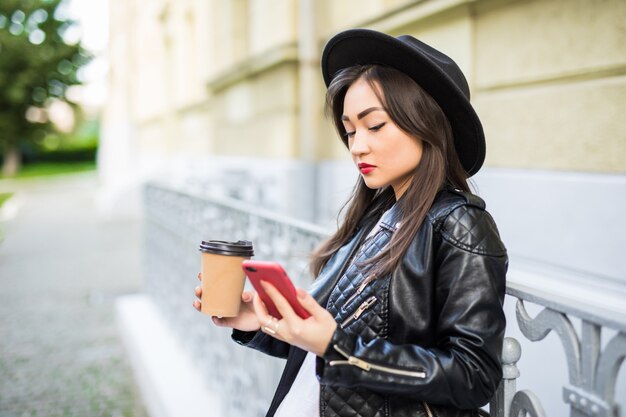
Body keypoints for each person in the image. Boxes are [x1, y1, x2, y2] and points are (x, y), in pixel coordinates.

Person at [193, 28, 507, 417]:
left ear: (426, 123)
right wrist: (261, 322)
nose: (357, 145)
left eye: (374, 126)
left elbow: (473, 375)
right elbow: (323, 347)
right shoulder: (373, 216)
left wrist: (338, 347)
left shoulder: (459, 224)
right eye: (350, 130)